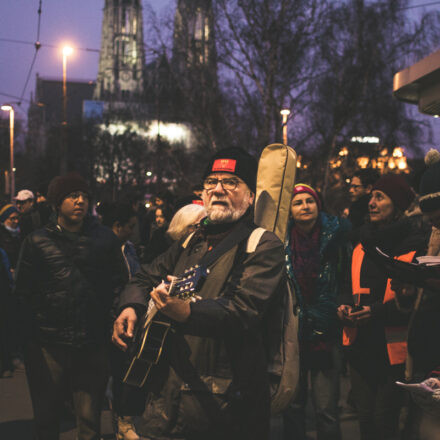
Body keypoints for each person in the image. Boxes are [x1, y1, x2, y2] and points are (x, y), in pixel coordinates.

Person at [112, 147, 287, 440]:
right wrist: (130, 306)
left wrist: (188, 312)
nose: (218, 189)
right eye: (211, 182)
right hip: (169, 395)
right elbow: (145, 276)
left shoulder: (263, 245)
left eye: (231, 182)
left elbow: (244, 311)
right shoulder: (193, 240)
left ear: (250, 196)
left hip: (226, 401)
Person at [14, 172, 128, 440]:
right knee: (46, 418)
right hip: (47, 342)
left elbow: (119, 283)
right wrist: (27, 339)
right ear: (56, 203)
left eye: (84, 196)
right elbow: (23, 291)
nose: (80, 201)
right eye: (72, 196)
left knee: (90, 421)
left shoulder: (104, 239)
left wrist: (111, 318)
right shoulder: (36, 241)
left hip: (92, 341)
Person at [338, 174, 427, 440]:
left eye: (380, 197)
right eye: (371, 197)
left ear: (397, 205)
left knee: (384, 421)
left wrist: (374, 312)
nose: (371, 203)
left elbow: (415, 302)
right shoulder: (362, 243)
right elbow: (346, 284)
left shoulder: (414, 244)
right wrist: (341, 306)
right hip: (360, 347)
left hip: (394, 353)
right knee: (366, 421)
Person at [283, 184, 350, 440]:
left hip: (326, 330)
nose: (304, 207)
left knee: (326, 409)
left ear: (318, 205)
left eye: (309, 201)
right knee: (293, 405)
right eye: (298, 202)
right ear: (290, 210)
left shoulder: (335, 237)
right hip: (293, 334)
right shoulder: (282, 241)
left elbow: (345, 278)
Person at [393, 149, 440, 439]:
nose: (435, 226)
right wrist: (409, 291)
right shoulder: (433, 240)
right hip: (427, 360)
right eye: (432, 220)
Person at [101, 201, 144, 440]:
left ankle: (122, 420)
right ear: (118, 226)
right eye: (130, 226)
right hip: (110, 316)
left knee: (123, 371)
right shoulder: (105, 249)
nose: (133, 231)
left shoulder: (128, 248)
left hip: (126, 314)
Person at [348, 169, 379, 241]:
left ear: (368, 188)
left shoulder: (361, 209)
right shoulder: (356, 207)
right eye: (351, 186)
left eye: (355, 187)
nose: (351, 190)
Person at [0, 203, 22, 270]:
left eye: (17, 218)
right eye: (12, 218)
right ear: (4, 219)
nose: (16, 221)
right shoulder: (1, 236)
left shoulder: (20, 233)